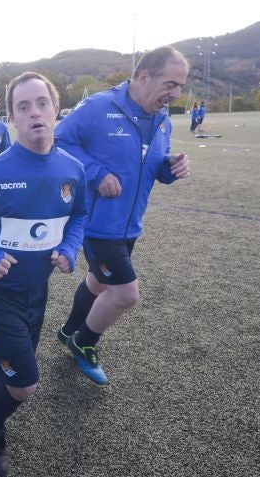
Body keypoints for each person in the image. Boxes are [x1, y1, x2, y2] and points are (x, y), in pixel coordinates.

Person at [0, 72, 87, 476]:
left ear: (56, 109)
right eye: (23, 107)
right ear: (11, 117)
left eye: (42, 103)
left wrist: (70, 247)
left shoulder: (73, 170)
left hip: (36, 292)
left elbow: (79, 215)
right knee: (24, 381)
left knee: (8, 358)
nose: (35, 113)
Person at [54, 45, 192, 385]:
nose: (176, 94)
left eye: (181, 86)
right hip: (97, 223)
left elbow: (153, 166)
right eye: (171, 84)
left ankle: (70, 328)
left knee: (99, 282)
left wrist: (170, 167)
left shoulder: (161, 119)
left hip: (130, 224)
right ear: (144, 76)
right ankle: (84, 342)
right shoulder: (99, 107)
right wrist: (96, 173)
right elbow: (58, 143)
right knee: (126, 293)